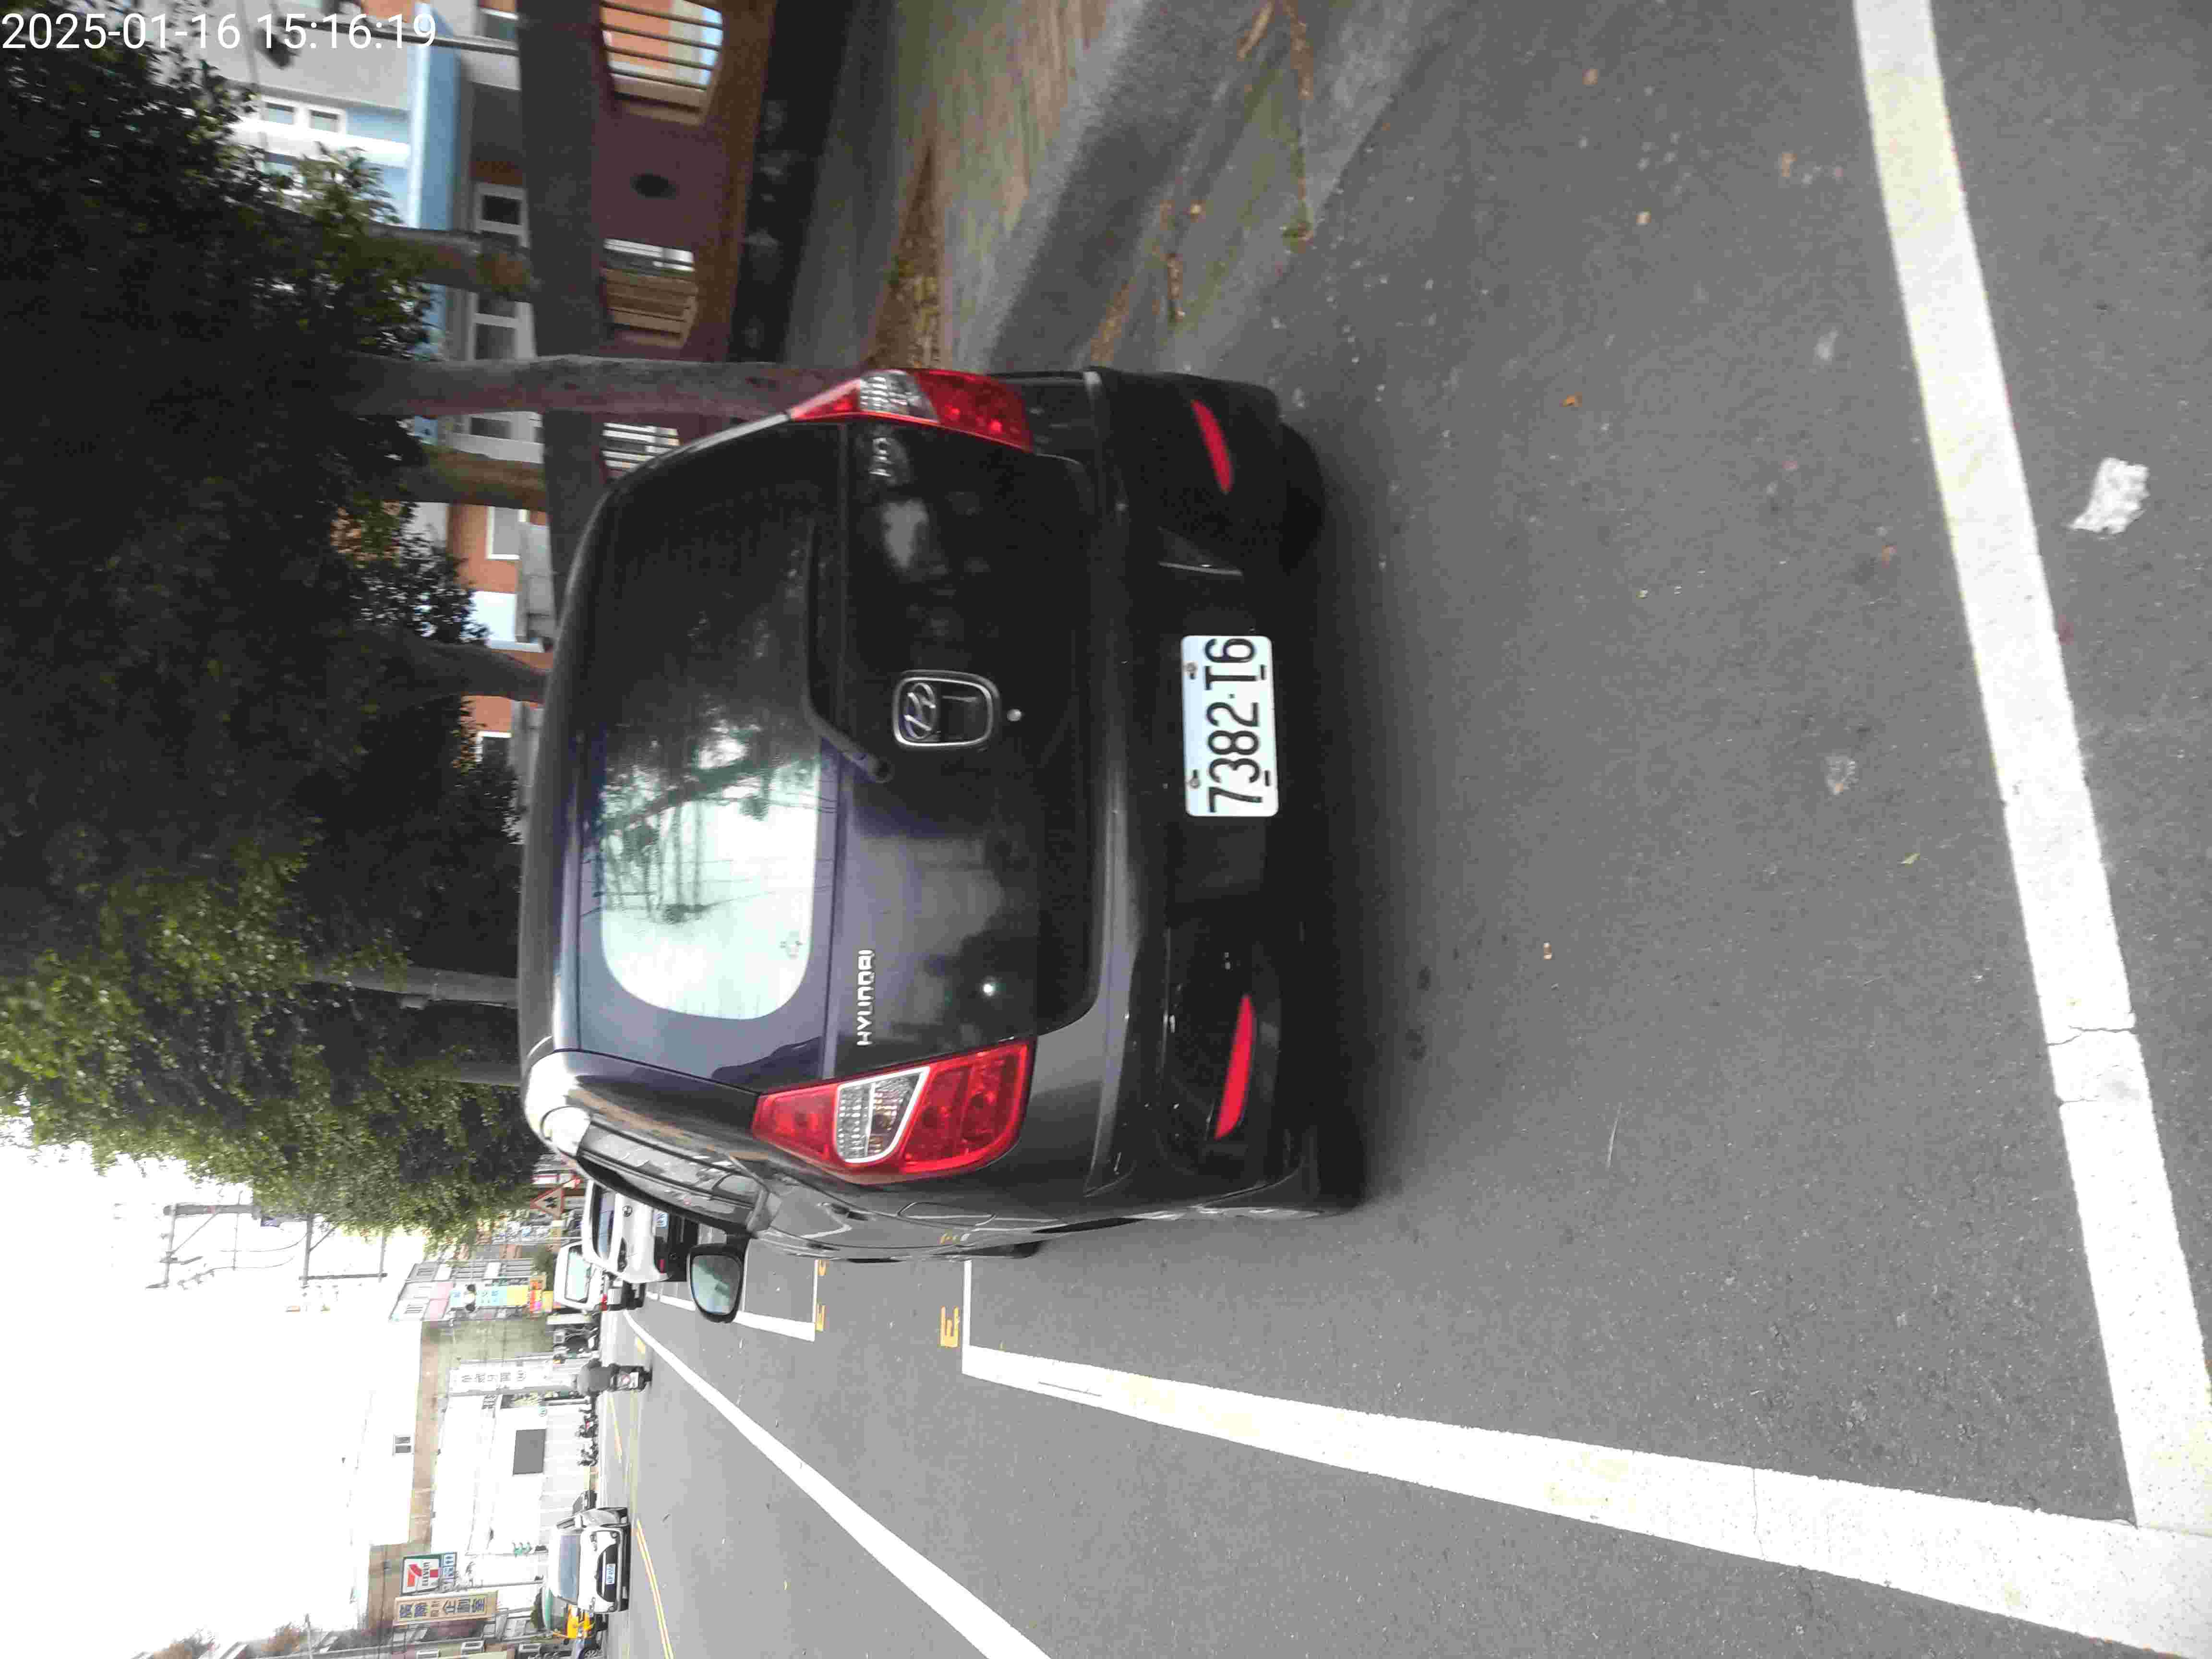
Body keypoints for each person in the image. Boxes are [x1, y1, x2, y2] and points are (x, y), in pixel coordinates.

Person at [576, 1358, 650, 1394]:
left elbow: (596, 1395)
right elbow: (597, 1362)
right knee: (616, 1368)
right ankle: (636, 1369)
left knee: (614, 1389)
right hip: (611, 1371)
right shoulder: (585, 1369)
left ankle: (635, 1387)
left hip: (610, 1385)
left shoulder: (585, 1390)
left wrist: (600, 1390)